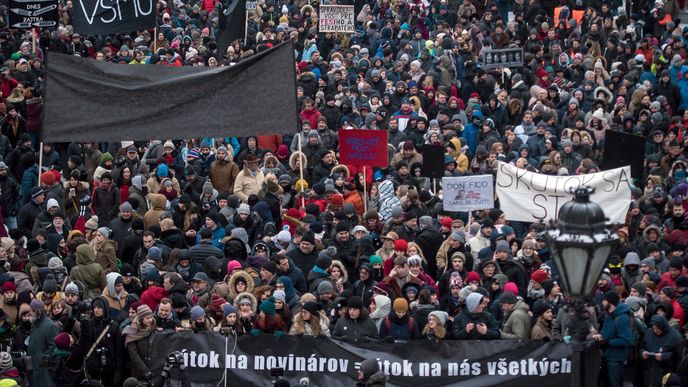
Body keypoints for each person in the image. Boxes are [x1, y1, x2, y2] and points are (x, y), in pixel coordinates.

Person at [593, 291, 634, 387]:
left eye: (604, 301)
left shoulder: (622, 318)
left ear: (609, 302)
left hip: (616, 359)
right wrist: (600, 336)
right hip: (607, 356)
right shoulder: (609, 315)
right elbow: (605, 333)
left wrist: (608, 342)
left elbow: (626, 340)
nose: (602, 303)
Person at [122, 304, 156, 380]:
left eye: (151, 317)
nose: (151, 320)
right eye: (148, 318)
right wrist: (145, 371)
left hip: (153, 369)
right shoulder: (132, 332)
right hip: (138, 373)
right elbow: (133, 355)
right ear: (141, 319)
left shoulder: (153, 329)